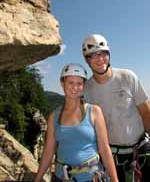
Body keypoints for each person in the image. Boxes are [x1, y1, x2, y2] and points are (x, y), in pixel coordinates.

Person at [82, 34, 150, 182]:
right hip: (112, 157)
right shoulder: (86, 89)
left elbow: (146, 112)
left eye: (103, 54)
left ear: (109, 55)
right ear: (87, 60)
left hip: (141, 151)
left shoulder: (127, 77)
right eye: (93, 56)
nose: (100, 59)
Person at [34, 63, 118, 182]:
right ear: (63, 83)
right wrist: (37, 179)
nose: (75, 87)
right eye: (70, 83)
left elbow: (104, 149)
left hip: (91, 177)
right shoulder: (54, 116)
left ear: (83, 86)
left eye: (79, 83)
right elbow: (48, 151)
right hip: (62, 177)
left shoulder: (94, 112)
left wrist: (115, 180)